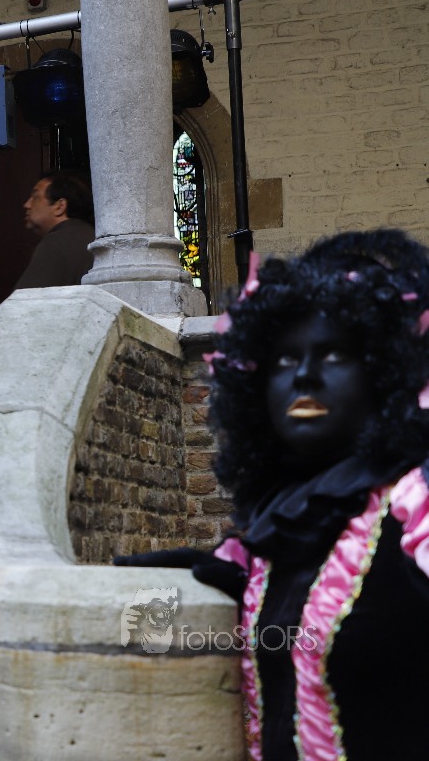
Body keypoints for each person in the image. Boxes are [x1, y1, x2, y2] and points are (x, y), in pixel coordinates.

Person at [119, 229, 429, 759]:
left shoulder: (414, 505)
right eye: (284, 360)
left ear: (383, 372)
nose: (304, 376)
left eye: (334, 355)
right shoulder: (283, 529)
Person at [13, 171, 94, 289]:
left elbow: (28, 298)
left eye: (35, 197)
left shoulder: (57, 242)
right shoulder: (91, 236)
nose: (27, 204)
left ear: (59, 206)